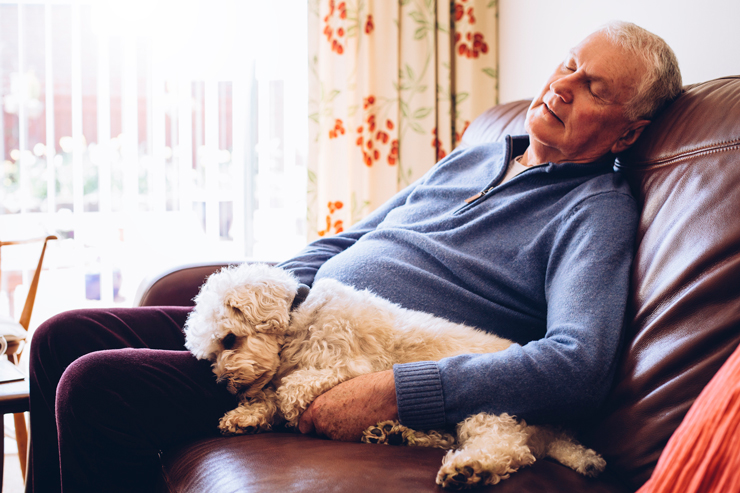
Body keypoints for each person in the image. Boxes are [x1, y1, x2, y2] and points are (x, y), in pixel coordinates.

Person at [27, 21, 681, 492]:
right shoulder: (484, 152)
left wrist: (396, 392)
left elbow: (577, 363)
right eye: (569, 65)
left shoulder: (594, 212)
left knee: (95, 384)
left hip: (344, 362)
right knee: (62, 334)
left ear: (628, 132)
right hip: (298, 324)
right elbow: (351, 238)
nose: (563, 86)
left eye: (594, 87)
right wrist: (276, 295)